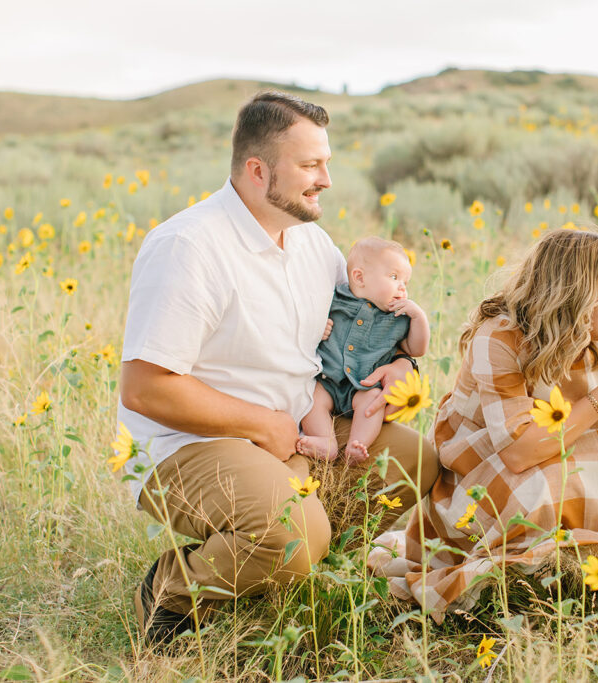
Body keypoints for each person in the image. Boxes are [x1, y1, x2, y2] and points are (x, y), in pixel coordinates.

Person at [117, 91, 438, 646]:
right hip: (187, 444)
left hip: (301, 429)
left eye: (327, 162)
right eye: (311, 165)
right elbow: (145, 390)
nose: (327, 179)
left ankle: (288, 569)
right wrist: (264, 427)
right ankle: (172, 589)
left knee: (416, 462)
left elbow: (370, 325)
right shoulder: (188, 248)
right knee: (292, 529)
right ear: (257, 169)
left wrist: (401, 367)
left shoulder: (315, 246)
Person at [370, 228, 598, 619]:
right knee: (541, 482)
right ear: (574, 293)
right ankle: (529, 575)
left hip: (555, 462)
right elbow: (517, 452)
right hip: (480, 480)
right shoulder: (500, 336)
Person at [297, 236, 429, 463]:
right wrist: (320, 326)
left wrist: (419, 317)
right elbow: (310, 318)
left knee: (373, 402)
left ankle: (357, 444)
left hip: (363, 387)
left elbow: (416, 349)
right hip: (326, 381)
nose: (402, 287)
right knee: (310, 400)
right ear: (359, 278)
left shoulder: (398, 317)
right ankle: (325, 442)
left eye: (405, 282)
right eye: (394, 277)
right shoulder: (334, 299)